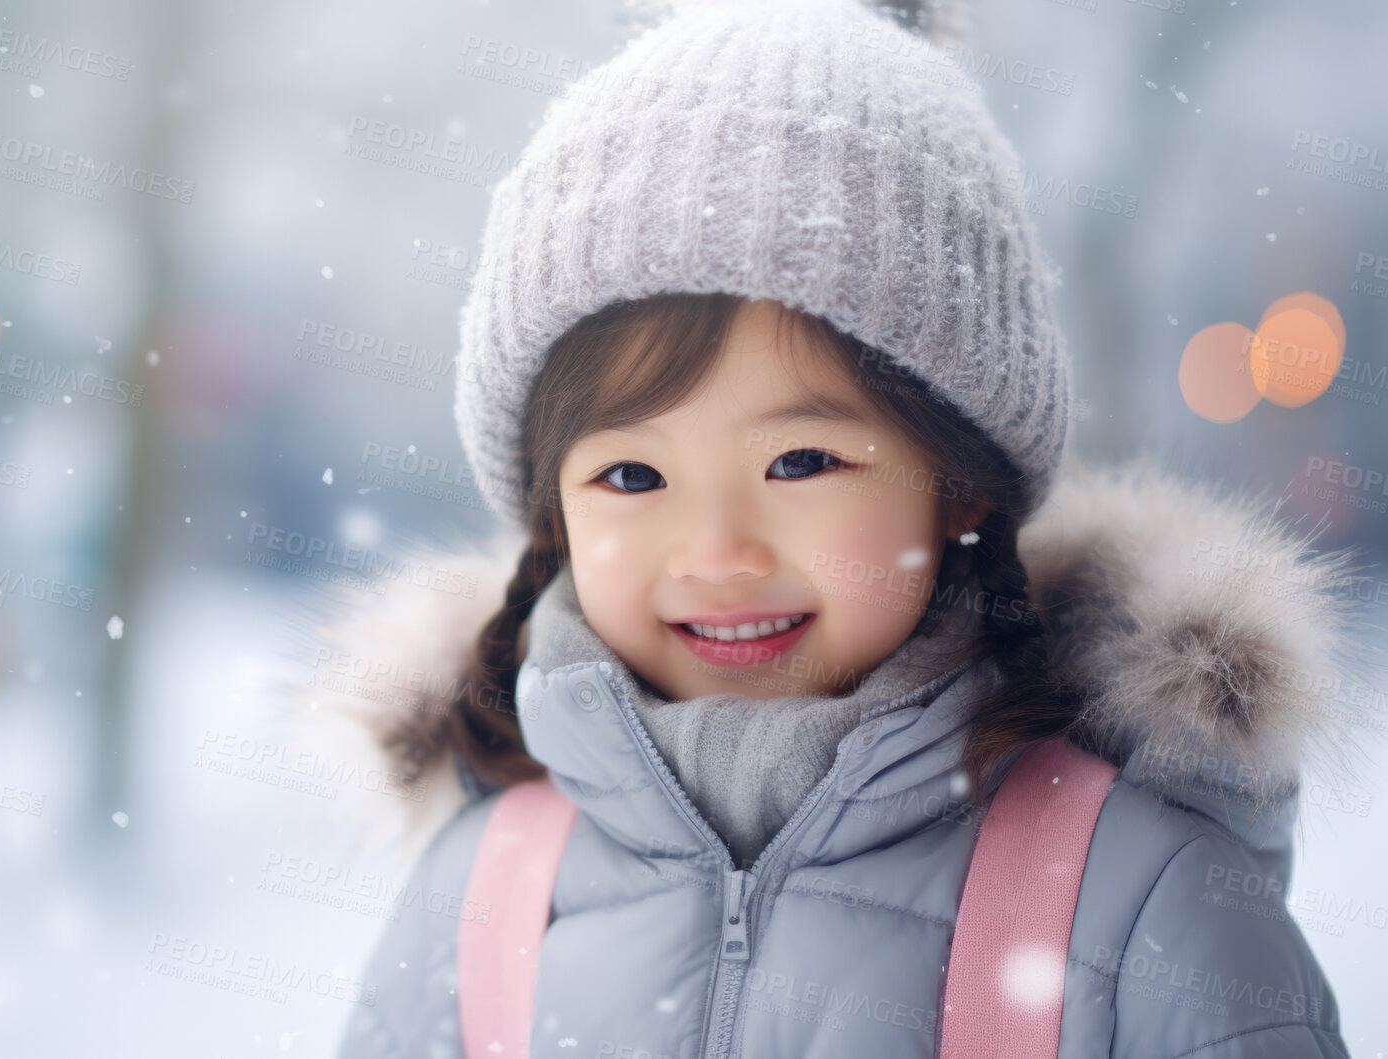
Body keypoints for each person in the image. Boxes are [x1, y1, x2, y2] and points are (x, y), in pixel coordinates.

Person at [319, 0, 1366, 1054]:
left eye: (802, 461)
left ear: (958, 480)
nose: (716, 552)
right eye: (632, 473)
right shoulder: (480, 900)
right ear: (553, 510)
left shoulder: (1138, 910)